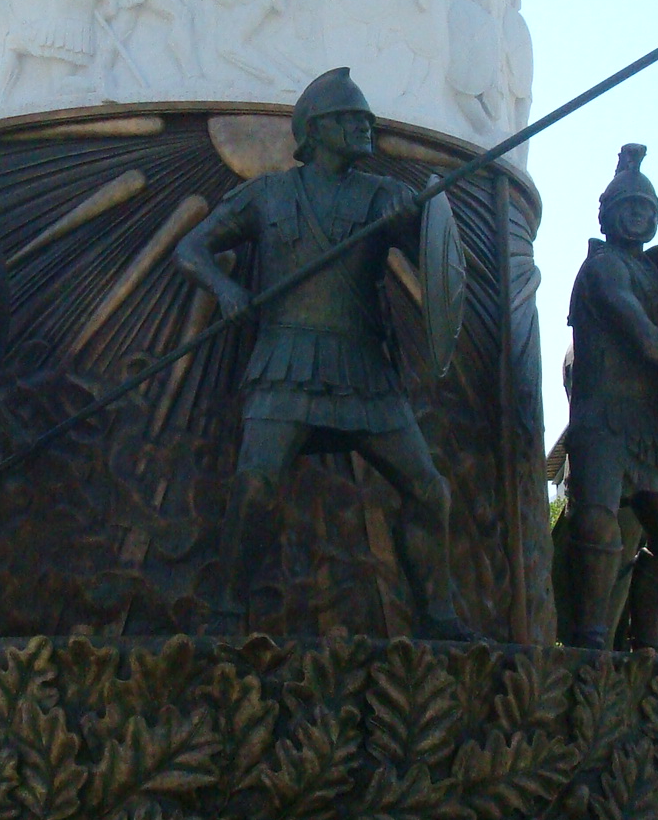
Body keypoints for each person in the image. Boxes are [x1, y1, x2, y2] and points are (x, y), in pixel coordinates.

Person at [173, 67, 472, 639]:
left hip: (363, 368)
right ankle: (227, 611)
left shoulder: (387, 197)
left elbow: (440, 263)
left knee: (429, 489)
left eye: (366, 118)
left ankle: (438, 616)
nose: (365, 126)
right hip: (286, 361)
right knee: (254, 484)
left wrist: (419, 217)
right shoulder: (268, 195)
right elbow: (192, 248)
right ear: (315, 129)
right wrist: (228, 289)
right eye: (350, 118)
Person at [562, 144, 658, 650]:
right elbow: (641, 332)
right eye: (629, 207)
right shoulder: (602, 268)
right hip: (603, 421)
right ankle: (591, 639)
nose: (639, 216)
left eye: (646, 209)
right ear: (609, 216)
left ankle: (645, 641)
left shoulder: (657, 275)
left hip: (649, 426)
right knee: (598, 524)